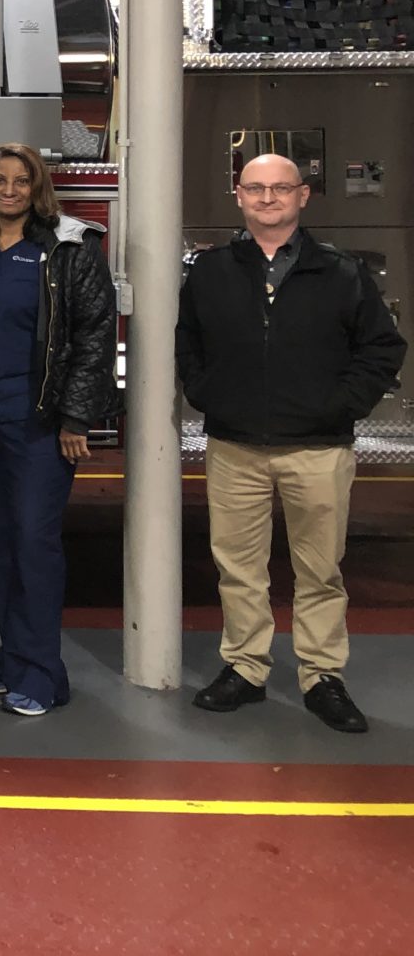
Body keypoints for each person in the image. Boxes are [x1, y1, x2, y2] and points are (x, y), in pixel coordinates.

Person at [179, 153, 406, 735]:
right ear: (238, 196)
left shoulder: (341, 272)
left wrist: (340, 406)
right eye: (255, 188)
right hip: (235, 446)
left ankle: (322, 677)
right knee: (239, 568)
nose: (268, 197)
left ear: (304, 196)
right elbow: (189, 345)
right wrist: (211, 396)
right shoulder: (210, 271)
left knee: (320, 570)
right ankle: (245, 669)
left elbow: (383, 348)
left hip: (319, 449)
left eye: (281, 188)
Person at [0, 142, 117, 718]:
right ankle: (13, 657)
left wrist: (75, 417)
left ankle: (43, 673)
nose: (9, 190)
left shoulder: (67, 248)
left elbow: (93, 337)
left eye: (21, 182)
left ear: (38, 188)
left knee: (34, 546)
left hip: (37, 426)